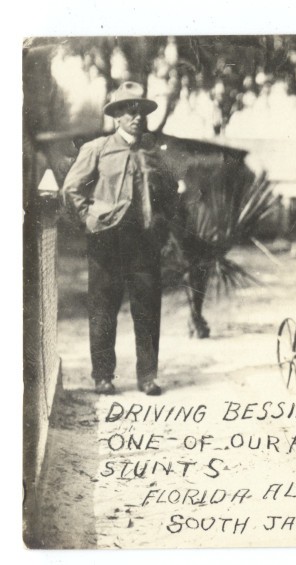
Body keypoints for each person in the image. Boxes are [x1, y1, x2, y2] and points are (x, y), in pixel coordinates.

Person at [62, 81, 178, 396]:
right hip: (106, 240)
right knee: (103, 308)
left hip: (144, 241)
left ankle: (148, 377)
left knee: (147, 309)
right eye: (129, 111)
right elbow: (71, 189)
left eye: (140, 111)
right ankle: (103, 376)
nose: (136, 117)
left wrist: (162, 225)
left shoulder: (152, 153)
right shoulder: (97, 149)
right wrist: (89, 219)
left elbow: (170, 193)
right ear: (116, 116)